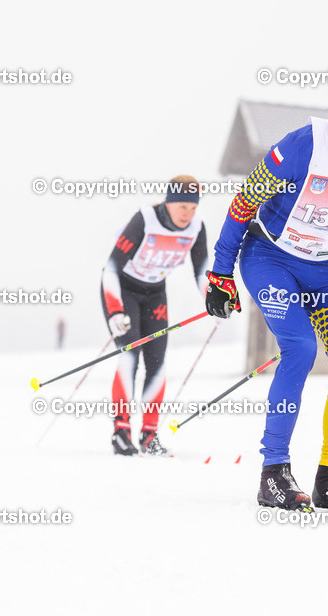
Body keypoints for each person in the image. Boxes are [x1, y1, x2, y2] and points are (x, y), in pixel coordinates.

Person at [205, 55, 328, 511]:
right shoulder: (303, 145)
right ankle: (273, 472)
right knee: (300, 348)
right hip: (270, 256)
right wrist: (220, 273)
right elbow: (243, 203)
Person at [101, 176, 208, 456]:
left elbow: (201, 271)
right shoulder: (145, 219)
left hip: (155, 293)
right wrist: (115, 310)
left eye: (193, 208)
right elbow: (111, 269)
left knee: (157, 361)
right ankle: (121, 431)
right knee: (130, 355)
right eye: (182, 206)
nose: (188, 214)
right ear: (168, 202)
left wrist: (215, 299)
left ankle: (149, 435)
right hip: (124, 290)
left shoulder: (196, 227)